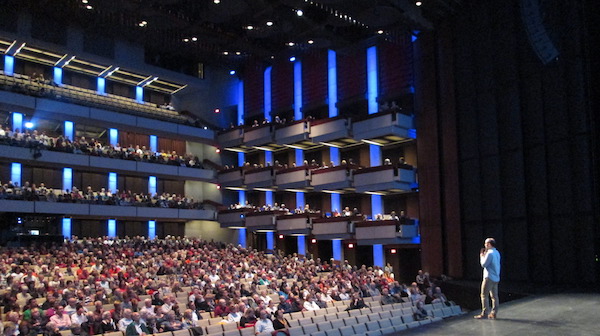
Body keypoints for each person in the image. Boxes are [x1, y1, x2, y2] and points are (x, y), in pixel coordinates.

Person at [474, 237, 501, 319]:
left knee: (484, 295)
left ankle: (485, 313)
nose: (485, 245)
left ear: (489, 244)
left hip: (489, 277)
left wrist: (482, 256)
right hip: (496, 277)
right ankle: (494, 312)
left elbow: (484, 264)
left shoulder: (489, 253)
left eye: (486, 244)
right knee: (494, 296)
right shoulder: (496, 252)